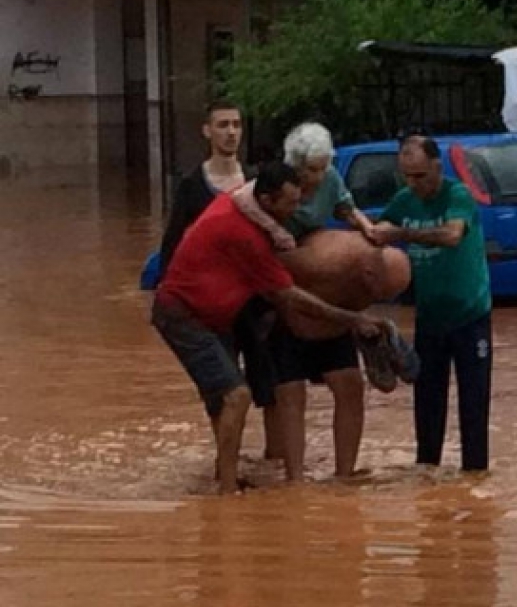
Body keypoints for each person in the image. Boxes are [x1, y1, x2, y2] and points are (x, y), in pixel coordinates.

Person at [152, 162, 385, 493]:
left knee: (221, 399)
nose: (297, 210)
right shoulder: (244, 234)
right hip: (184, 315)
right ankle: (227, 492)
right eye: (290, 203)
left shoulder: (243, 203)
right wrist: (353, 319)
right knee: (237, 395)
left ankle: (225, 477)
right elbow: (287, 295)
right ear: (265, 200)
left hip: (213, 314)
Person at [231, 122, 379, 479]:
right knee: (290, 392)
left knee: (349, 384)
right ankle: (295, 480)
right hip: (282, 298)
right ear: (295, 167)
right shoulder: (274, 186)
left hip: (324, 291)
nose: (318, 176)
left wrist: (367, 230)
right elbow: (240, 202)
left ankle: (344, 476)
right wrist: (275, 232)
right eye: (312, 170)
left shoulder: (330, 180)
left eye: (323, 167)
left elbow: (346, 208)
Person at [157, 99, 286, 461]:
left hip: (256, 305)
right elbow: (174, 244)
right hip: (212, 307)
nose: (231, 132)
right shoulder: (191, 185)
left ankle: (276, 463)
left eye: (236, 125)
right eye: (223, 125)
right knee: (222, 391)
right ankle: (227, 462)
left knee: (271, 384)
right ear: (207, 131)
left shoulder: (257, 182)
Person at [370, 135, 493, 472]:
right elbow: (379, 231)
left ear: (437, 167)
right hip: (429, 318)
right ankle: (427, 476)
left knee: (474, 404)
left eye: (420, 176)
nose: (414, 184)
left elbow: (452, 235)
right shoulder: (404, 200)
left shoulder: (458, 195)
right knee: (427, 405)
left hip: (470, 317)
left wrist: (402, 235)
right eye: (407, 176)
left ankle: (475, 476)